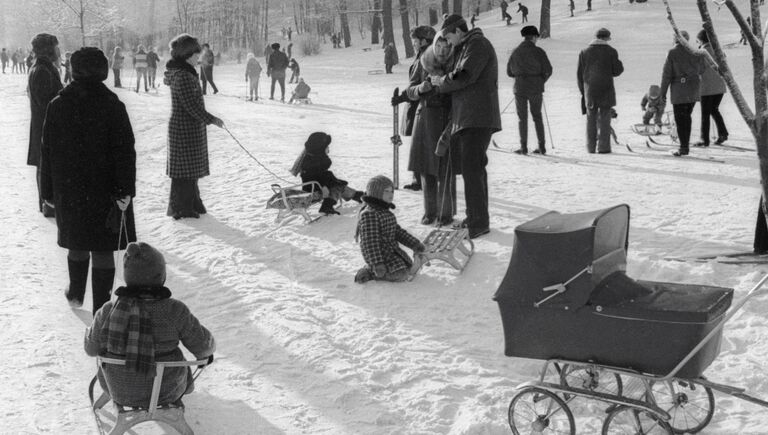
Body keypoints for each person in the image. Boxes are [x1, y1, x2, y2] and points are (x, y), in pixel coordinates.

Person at [40, 46, 136, 314]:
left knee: (77, 243)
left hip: (69, 189)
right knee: (103, 248)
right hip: (107, 190)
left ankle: (75, 293)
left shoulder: (57, 105)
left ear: (74, 70)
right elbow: (125, 151)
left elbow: (46, 151)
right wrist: (125, 189)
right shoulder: (113, 105)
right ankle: (102, 307)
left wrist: (47, 191)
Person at [84, 241, 215, 408]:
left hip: (117, 389)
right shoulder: (174, 310)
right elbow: (203, 346)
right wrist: (207, 351)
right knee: (183, 359)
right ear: (161, 276)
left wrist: (90, 333)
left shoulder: (109, 310)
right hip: (167, 390)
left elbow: (91, 349)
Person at [432, 14, 501, 239]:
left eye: (448, 37)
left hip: (477, 116)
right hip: (468, 116)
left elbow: (465, 76)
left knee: (473, 169)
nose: (448, 43)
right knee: (473, 169)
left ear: (458, 31)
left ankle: (479, 223)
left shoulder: (477, 45)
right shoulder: (466, 46)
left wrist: (441, 83)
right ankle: (475, 217)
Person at [396, 25, 457, 225]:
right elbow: (410, 90)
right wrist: (421, 88)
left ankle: (445, 214)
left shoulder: (455, 64)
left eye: (445, 46)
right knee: (425, 168)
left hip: (447, 118)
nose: (441, 50)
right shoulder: (424, 62)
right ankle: (429, 211)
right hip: (424, 118)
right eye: (438, 45)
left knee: (444, 169)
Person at [164, 33, 225, 220]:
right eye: (195, 55)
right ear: (187, 55)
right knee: (184, 172)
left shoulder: (186, 72)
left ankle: (193, 202)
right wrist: (211, 119)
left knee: (189, 170)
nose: (198, 58)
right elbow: (190, 104)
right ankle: (182, 208)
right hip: (184, 128)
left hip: (188, 127)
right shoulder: (183, 75)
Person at [354, 175, 425, 283]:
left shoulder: (385, 212)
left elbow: (398, 232)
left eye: (392, 191)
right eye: (386, 191)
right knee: (401, 274)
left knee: (408, 267)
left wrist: (414, 244)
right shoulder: (369, 214)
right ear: (376, 193)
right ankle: (370, 272)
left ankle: (379, 269)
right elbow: (370, 243)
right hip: (379, 255)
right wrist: (377, 263)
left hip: (390, 251)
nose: (391, 194)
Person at [27, 33, 63, 217]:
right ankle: (49, 205)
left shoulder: (44, 68)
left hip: (45, 128)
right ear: (49, 50)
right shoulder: (42, 70)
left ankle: (49, 204)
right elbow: (48, 102)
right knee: (46, 166)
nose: (59, 50)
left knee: (46, 165)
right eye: (56, 47)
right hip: (45, 129)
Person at [291, 132, 363, 215]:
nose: (328, 148)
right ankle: (327, 206)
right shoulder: (317, 161)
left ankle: (356, 195)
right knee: (337, 187)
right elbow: (318, 176)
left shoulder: (310, 158)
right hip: (315, 190)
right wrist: (324, 187)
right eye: (326, 146)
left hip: (313, 187)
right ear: (320, 148)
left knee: (338, 185)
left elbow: (322, 176)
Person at [577, 27, 624, 154]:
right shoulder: (611, 51)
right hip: (606, 89)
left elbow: (579, 74)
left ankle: (590, 147)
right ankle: (604, 147)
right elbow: (617, 70)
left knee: (590, 119)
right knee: (604, 119)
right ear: (606, 38)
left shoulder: (584, 52)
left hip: (590, 90)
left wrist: (583, 91)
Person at [507, 25, 552, 155]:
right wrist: (540, 81)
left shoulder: (515, 52)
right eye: (536, 37)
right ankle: (542, 147)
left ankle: (523, 147)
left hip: (520, 88)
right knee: (537, 117)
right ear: (533, 37)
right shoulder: (539, 52)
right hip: (536, 88)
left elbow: (509, 72)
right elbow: (548, 70)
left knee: (522, 118)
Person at [659, 30, 705, 157]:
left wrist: (662, 93)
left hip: (679, 89)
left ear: (675, 39)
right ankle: (685, 144)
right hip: (693, 88)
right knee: (687, 117)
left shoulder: (672, 53)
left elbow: (666, 75)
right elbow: (702, 69)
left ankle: (684, 147)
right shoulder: (695, 52)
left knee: (680, 119)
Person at [695, 28, 728, 147]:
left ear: (701, 40)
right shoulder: (718, 50)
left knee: (705, 114)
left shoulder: (702, 52)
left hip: (707, 88)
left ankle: (704, 139)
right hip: (719, 86)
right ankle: (723, 133)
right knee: (714, 110)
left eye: (697, 40)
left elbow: (698, 70)